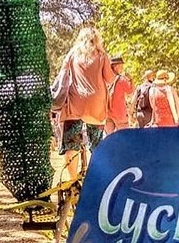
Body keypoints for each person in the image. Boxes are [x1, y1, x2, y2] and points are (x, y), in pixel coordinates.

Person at [57, 27, 115, 179]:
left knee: (71, 144)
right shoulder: (102, 55)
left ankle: (73, 180)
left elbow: (63, 73)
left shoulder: (73, 53)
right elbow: (109, 79)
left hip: (75, 103)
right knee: (96, 144)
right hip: (97, 105)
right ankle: (93, 179)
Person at [105, 56, 134, 136]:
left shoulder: (105, 79)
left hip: (108, 113)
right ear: (115, 66)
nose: (122, 68)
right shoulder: (121, 79)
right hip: (120, 114)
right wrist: (131, 80)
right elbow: (130, 91)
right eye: (121, 66)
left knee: (109, 138)